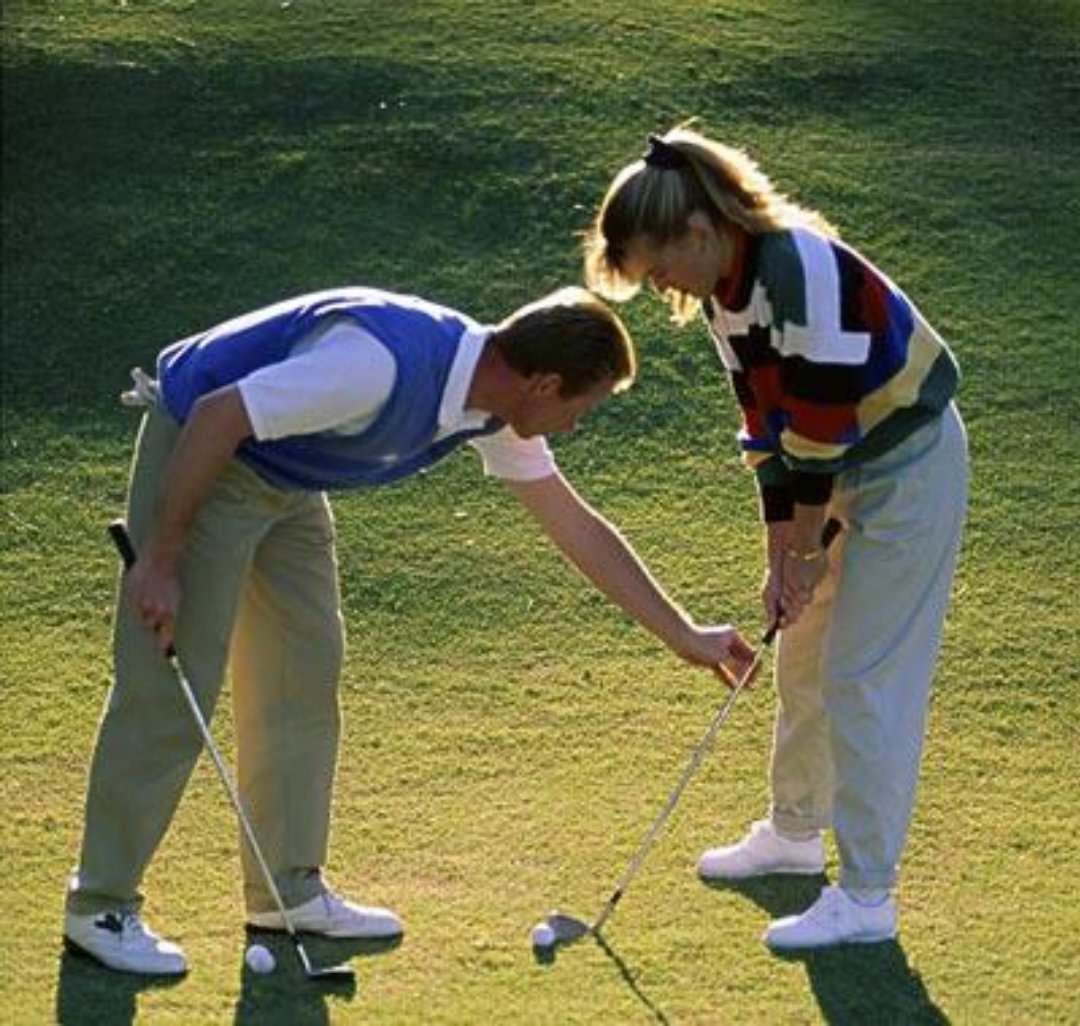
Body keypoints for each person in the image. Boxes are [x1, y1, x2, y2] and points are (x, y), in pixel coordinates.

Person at [64, 284, 756, 975]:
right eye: (581, 407)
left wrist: (683, 634)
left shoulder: (494, 407)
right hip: (203, 454)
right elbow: (220, 414)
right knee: (171, 684)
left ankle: (288, 893)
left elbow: (575, 526)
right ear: (545, 384)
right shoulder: (377, 366)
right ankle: (101, 905)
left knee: (303, 671)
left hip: (288, 476)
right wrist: (161, 558)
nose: (574, 426)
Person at [583, 127, 968, 950]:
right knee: (802, 652)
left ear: (698, 231)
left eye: (658, 268)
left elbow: (820, 428)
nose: (660, 287)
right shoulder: (724, 294)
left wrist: (805, 553)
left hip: (908, 464)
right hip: (838, 468)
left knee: (864, 677)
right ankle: (795, 833)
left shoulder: (796, 268)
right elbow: (766, 431)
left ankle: (867, 895)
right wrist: (779, 564)